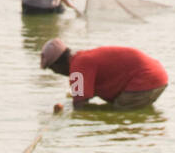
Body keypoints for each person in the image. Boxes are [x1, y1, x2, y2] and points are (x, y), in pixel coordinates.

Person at [40, 39, 168, 109]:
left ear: (58, 65)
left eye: (53, 69)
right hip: (157, 76)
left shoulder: (77, 69)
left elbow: (79, 104)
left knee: (115, 112)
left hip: (146, 80)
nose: (57, 73)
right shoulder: (81, 59)